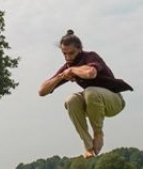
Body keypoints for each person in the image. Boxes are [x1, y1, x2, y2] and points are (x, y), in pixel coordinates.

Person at [39, 30, 133, 158]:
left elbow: (91, 73)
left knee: (90, 91)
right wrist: (61, 76)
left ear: (79, 49)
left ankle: (98, 134)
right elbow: (42, 91)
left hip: (114, 101)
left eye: (71, 53)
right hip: (93, 104)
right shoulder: (67, 66)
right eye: (64, 54)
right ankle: (88, 146)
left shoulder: (91, 57)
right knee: (71, 100)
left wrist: (73, 70)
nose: (68, 57)